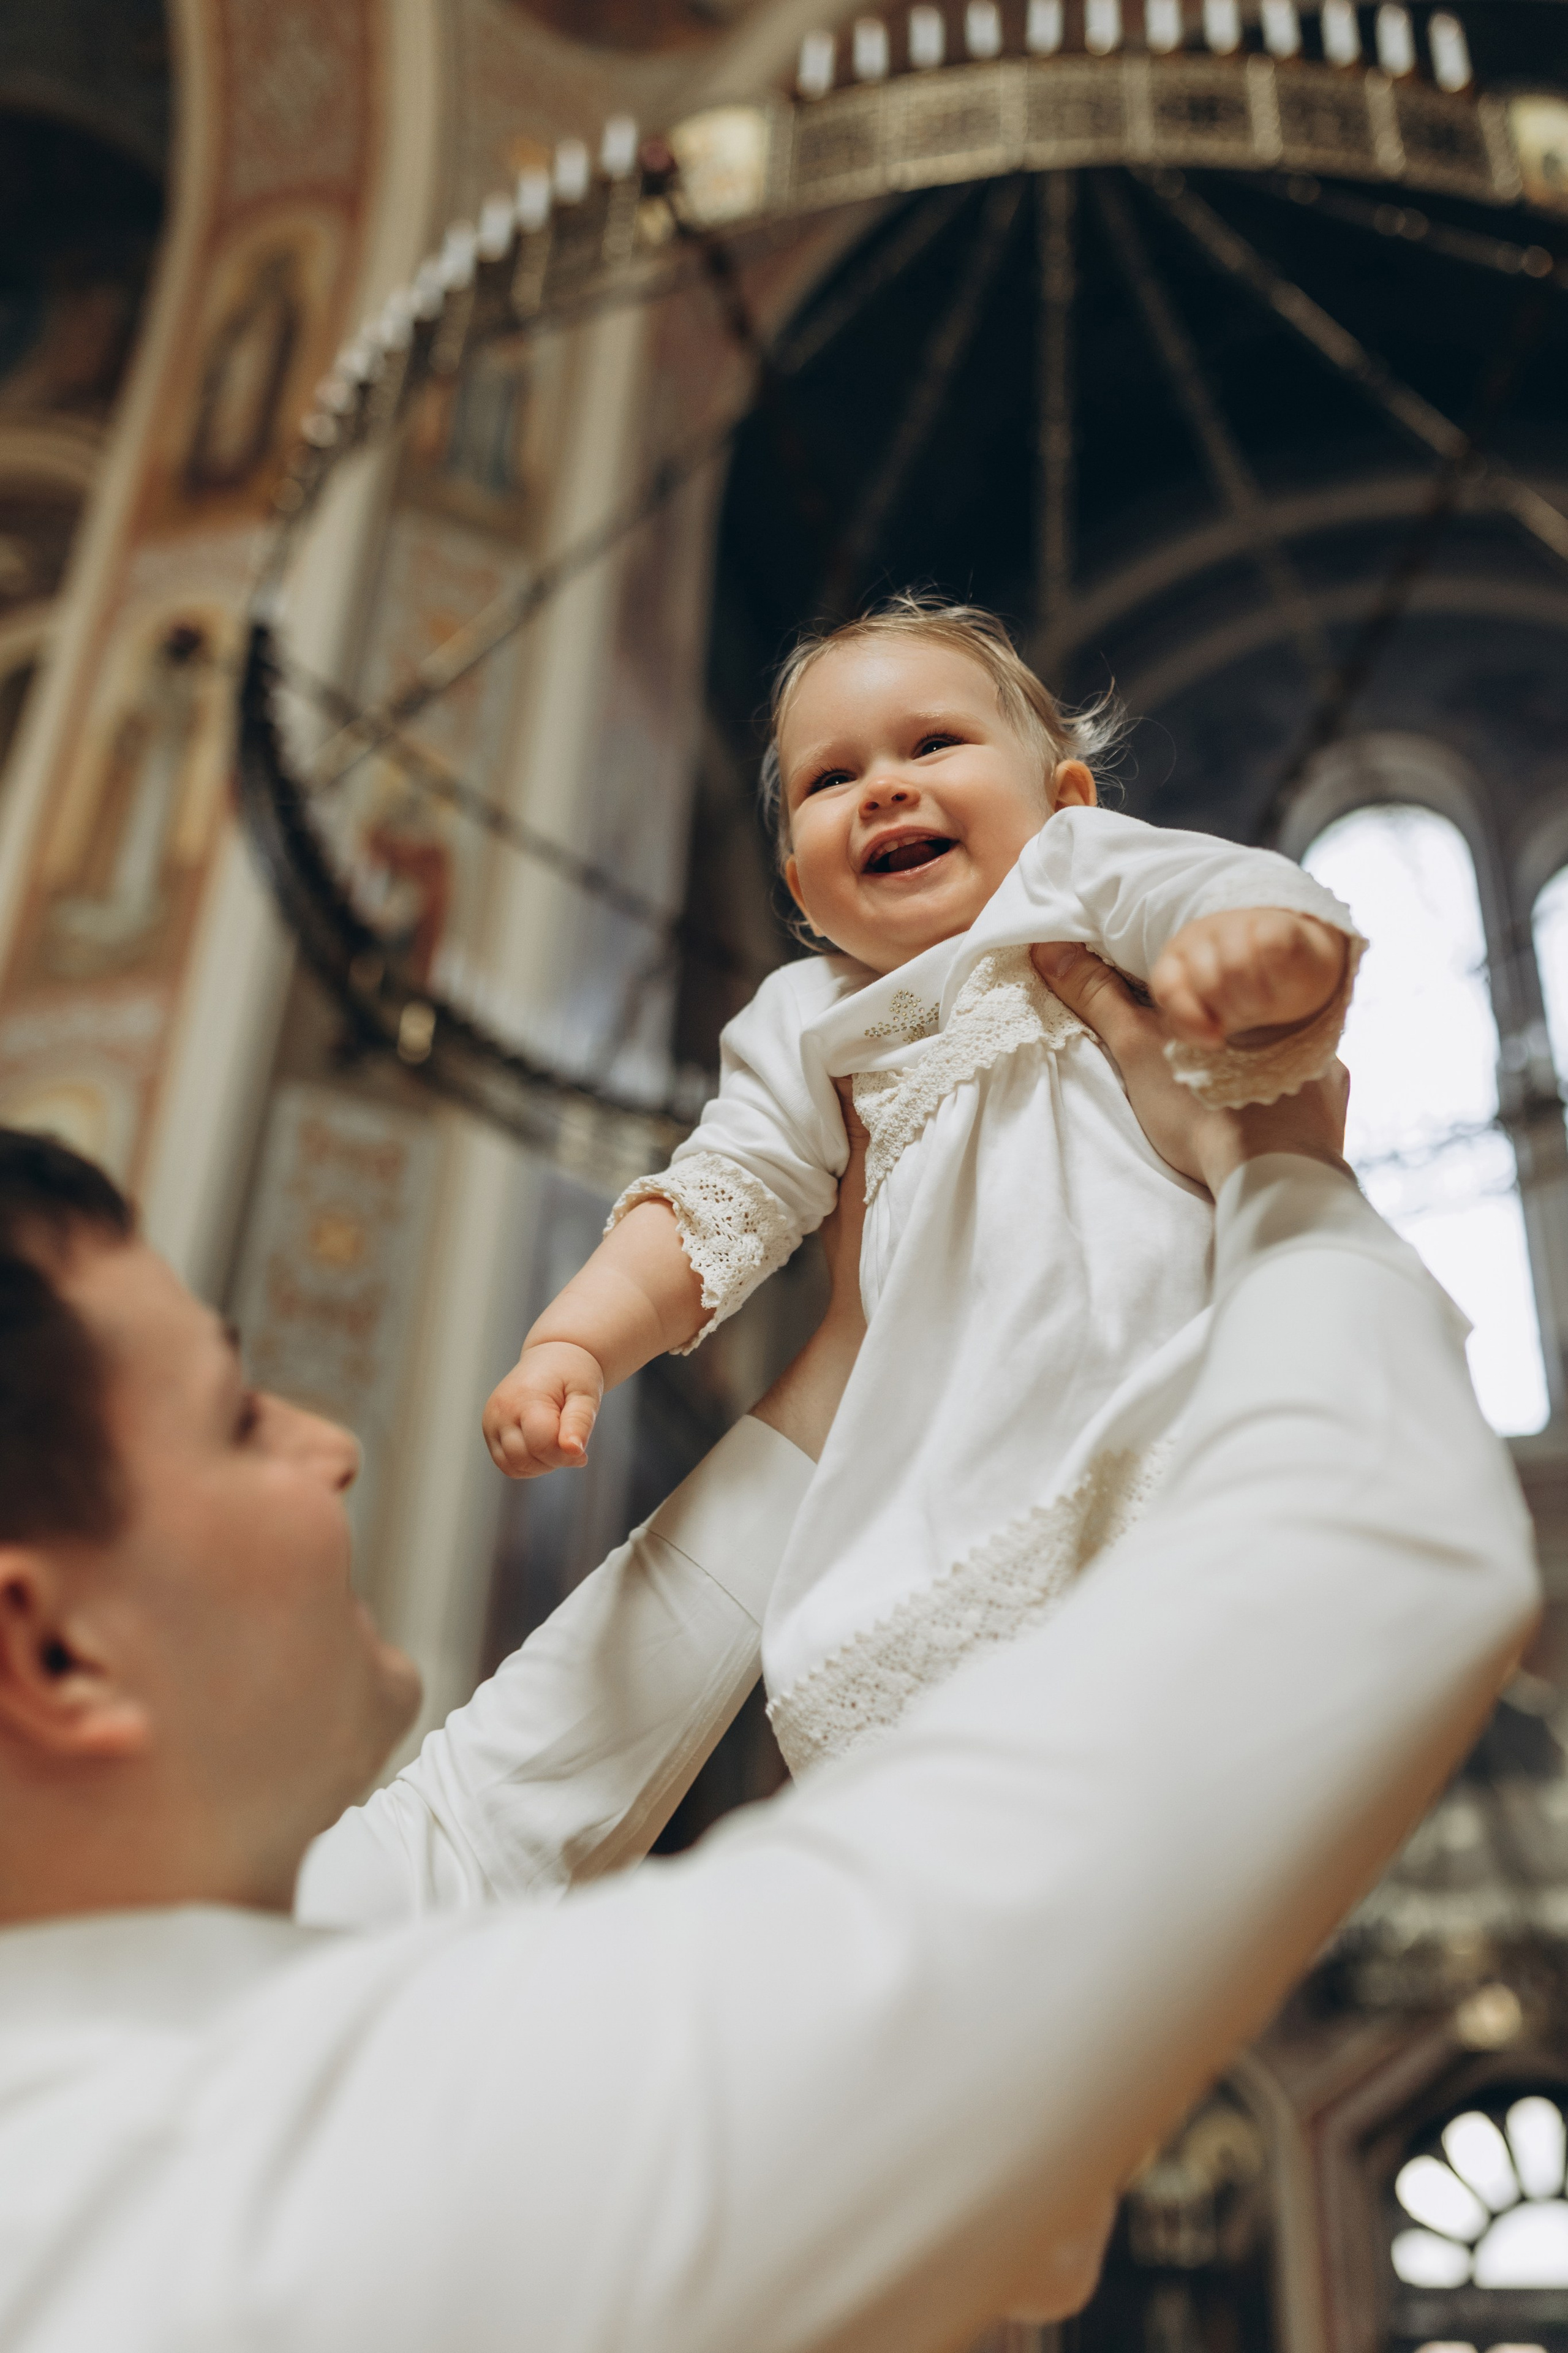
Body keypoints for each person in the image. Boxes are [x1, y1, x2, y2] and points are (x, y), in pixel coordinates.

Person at [0, 949, 1536, 2353]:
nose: (328, 1444)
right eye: (236, 1419)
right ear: (54, 1650)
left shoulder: (94, 2071)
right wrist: (1277, 1180)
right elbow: (1368, 1560)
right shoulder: (304, 2185)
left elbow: (496, 1806)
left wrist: (851, 1361)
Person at [484, 596, 1365, 1775]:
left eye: (933, 744)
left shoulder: (1085, 889)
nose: (885, 789)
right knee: (971, 1812)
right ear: (800, 887)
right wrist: (575, 1343)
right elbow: (721, 1193)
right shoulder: (810, 1018)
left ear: (1064, 802)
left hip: (1161, 1415)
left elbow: (1213, 904)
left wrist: (1263, 951)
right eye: (831, 778)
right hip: (944, 1502)